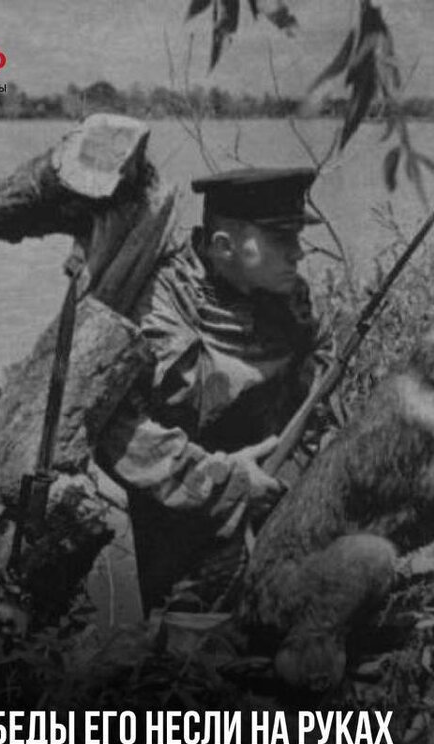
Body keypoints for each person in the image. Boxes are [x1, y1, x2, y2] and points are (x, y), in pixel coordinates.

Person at [96, 167, 334, 614]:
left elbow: (314, 383)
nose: (299, 253)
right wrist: (226, 482)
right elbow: (120, 435)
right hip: (183, 511)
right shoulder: (157, 310)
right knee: (188, 636)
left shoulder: (290, 299)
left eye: (297, 237)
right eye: (281, 239)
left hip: (275, 494)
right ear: (224, 246)